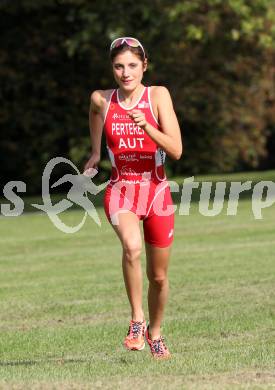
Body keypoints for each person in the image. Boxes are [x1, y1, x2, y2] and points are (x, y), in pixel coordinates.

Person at [83, 37, 182, 359]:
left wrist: (147, 127)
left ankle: (155, 332)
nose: (126, 73)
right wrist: (96, 152)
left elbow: (177, 150)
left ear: (145, 66)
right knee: (131, 246)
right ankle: (137, 319)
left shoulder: (158, 96)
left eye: (132, 66)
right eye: (119, 66)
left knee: (159, 276)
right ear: (112, 68)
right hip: (121, 189)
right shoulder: (102, 99)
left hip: (157, 192)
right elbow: (94, 111)